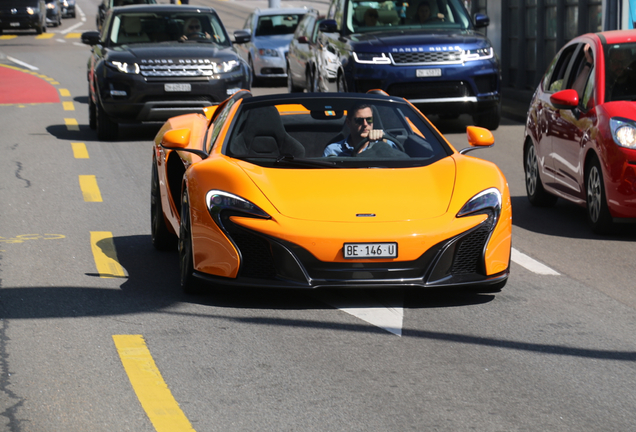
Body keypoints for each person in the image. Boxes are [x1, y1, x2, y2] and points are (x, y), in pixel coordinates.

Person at [323, 104, 399, 157]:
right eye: (359, 120)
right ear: (348, 123)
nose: (365, 124)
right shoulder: (333, 151)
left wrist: (384, 142)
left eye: (369, 119)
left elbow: (401, 167)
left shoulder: (385, 143)